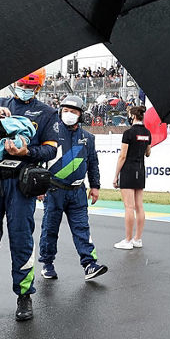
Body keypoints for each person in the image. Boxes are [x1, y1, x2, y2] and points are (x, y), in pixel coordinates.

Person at [0, 72, 60, 322]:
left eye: (30, 85)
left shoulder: (47, 113)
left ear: (38, 87)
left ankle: (24, 296)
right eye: (22, 84)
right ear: (15, 83)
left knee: (22, 240)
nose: (25, 88)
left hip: (21, 184)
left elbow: (51, 150)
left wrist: (27, 151)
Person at [34, 94, 107, 281]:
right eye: (65, 110)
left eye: (73, 111)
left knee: (82, 228)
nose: (68, 114)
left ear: (81, 114)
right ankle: (47, 264)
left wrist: (95, 186)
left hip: (78, 192)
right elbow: (40, 159)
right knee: (50, 229)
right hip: (54, 190)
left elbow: (93, 163)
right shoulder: (50, 133)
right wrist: (39, 187)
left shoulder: (88, 138)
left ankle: (90, 264)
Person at [112, 104, 151, 249]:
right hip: (140, 171)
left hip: (128, 171)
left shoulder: (128, 133)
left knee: (129, 207)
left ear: (133, 116)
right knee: (139, 206)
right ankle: (137, 239)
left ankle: (128, 240)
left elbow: (122, 156)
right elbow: (148, 153)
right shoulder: (147, 133)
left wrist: (116, 175)